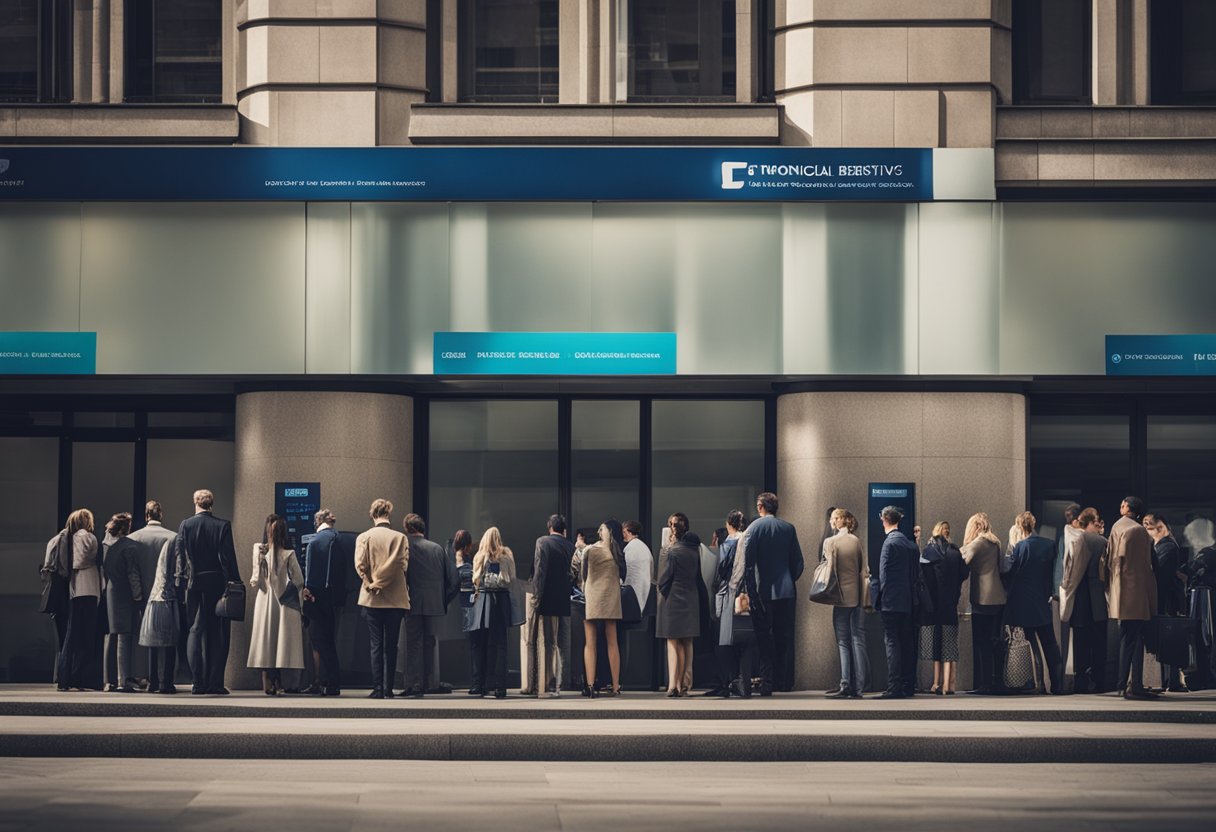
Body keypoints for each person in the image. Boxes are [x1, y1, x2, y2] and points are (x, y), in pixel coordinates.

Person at [729, 492, 804, 697]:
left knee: (763, 638)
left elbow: (749, 565)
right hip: (786, 591)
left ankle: (767, 683)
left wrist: (751, 592)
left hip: (762, 593)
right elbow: (798, 563)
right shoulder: (788, 528)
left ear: (761, 507)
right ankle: (784, 681)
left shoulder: (754, 529)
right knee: (784, 637)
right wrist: (788, 579)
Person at [175, 489, 240, 695]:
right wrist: (234, 583)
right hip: (217, 584)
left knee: (195, 631)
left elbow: (180, 557)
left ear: (195, 502)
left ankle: (198, 682)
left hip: (194, 584)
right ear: (212, 504)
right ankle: (215, 683)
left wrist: (180, 584)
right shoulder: (223, 526)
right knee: (218, 634)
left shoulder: (186, 525)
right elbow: (228, 558)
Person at [1103, 496, 1158, 700]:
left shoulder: (1117, 527)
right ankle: (1131, 685)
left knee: (1128, 637)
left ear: (1128, 508)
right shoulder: (1137, 531)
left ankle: (1126, 684)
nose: (1120, 506)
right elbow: (1144, 566)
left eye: (1123, 503)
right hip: (1134, 592)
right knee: (1133, 638)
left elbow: (1111, 561)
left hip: (1121, 591)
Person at [355, 498, 409, 700]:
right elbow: (403, 565)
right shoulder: (400, 538)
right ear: (389, 514)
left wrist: (373, 583)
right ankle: (389, 688)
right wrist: (385, 580)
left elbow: (360, 566)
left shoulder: (364, 537)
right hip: (396, 599)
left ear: (372, 515)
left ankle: (377, 687)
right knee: (391, 644)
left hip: (372, 598)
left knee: (375, 644)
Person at [1005, 511, 1064, 694]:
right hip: (1042, 600)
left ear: (1019, 526)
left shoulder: (1020, 547)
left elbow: (1011, 574)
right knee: (1050, 644)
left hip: (1023, 602)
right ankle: (1057, 683)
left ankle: (1039, 683)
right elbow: (1056, 571)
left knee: (1032, 644)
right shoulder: (1049, 545)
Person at [247, 514, 305, 695]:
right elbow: (299, 580)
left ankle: (267, 683)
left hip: (264, 601)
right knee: (280, 641)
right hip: (283, 603)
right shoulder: (289, 553)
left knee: (266, 640)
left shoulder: (259, 550)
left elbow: (255, 580)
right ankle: (280, 683)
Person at [402, 513, 458, 698]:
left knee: (413, 644)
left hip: (412, 602)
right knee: (430, 643)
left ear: (407, 529)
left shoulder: (406, 547)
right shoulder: (437, 549)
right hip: (435, 604)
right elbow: (453, 580)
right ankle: (430, 682)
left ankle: (414, 685)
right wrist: (444, 600)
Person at [128, 500, 179, 693]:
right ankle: (167, 679)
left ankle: (148, 678)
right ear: (161, 514)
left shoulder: (134, 538)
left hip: (141, 596)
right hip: (167, 595)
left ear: (146, 515)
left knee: (146, 641)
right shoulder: (173, 537)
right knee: (169, 639)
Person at [870, 505, 920, 699]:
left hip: (890, 601)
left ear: (884, 520)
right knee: (907, 642)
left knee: (892, 643)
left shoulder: (889, 544)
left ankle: (894, 686)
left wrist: (879, 598)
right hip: (908, 601)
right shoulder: (909, 544)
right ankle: (908, 685)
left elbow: (883, 575)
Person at [525, 514, 575, 698]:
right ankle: (565, 683)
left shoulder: (543, 542)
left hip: (547, 599)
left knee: (547, 643)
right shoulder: (570, 546)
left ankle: (546, 682)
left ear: (549, 528)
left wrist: (536, 598)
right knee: (564, 643)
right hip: (566, 599)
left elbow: (540, 570)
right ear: (564, 530)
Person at [1061, 508, 1109, 694]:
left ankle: (1081, 681)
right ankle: (1100, 681)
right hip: (1098, 596)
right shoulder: (1102, 541)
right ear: (1092, 522)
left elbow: (1071, 570)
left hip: (1081, 596)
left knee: (1080, 641)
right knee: (1099, 642)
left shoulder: (1076, 539)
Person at [918, 521, 969, 695]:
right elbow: (964, 573)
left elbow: (922, 577)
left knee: (934, 643)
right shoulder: (955, 552)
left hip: (932, 605)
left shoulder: (928, 552)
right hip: (949, 604)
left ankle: (935, 683)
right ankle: (947, 685)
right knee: (948, 642)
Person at [823, 508, 868, 699]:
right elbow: (861, 569)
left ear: (841, 520)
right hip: (856, 596)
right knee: (858, 638)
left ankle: (845, 684)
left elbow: (829, 569)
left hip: (840, 597)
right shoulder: (855, 541)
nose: (831, 522)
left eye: (834, 519)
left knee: (843, 642)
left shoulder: (831, 542)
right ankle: (860, 686)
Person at [960, 512, 1006, 694]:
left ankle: (985, 684)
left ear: (977, 526)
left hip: (983, 599)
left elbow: (963, 558)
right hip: (998, 598)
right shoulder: (995, 542)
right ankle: (998, 681)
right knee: (995, 641)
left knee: (982, 642)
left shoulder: (979, 542)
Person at [657, 518, 703, 697]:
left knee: (672, 642)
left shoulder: (671, 551)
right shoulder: (694, 551)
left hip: (673, 599)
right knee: (687, 642)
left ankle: (672, 685)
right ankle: (684, 683)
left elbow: (663, 578)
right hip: (691, 598)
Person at [56, 509, 101, 691]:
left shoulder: (66, 537)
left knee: (72, 635)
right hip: (88, 588)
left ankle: (66, 678)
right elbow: (82, 560)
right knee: (86, 636)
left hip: (74, 590)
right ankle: (80, 678)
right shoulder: (87, 537)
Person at [580, 521, 625, 697]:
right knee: (612, 642)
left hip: (592, 596)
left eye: (602, 528)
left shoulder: (590, 550)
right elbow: (623, 574)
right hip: (611, 597)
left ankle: (591, 685)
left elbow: (583, 574)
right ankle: (615, 686)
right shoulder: (617, 553)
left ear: (606, 531)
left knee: (590, 643)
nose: (599, 530)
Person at [301, 509, 343, 697]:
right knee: (331, 640)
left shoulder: (315, 542)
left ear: (317, 522)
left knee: (319, 640)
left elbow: (310, 575)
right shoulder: (339, 539)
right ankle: (332, 682)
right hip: (337, 596)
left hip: (318, 597)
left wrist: (307, 594)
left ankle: (324, 681)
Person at [102, 513, 145, 693]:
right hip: (125, 594)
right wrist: (138, 596)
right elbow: (133, 573)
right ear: (124, 528)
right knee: (124, 636)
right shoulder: (129, 547)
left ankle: (109, 680)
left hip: (111, 592)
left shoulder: (108, 548)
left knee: (113, 635)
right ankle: (123, 680)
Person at [1145, 512, 1187, 692]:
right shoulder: (1165, 545)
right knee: (1168, 640)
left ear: (1160, 528)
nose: (1146, 532)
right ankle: (1170, 681)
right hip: (1168, 598)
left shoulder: (1167, 547)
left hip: (1168, 600)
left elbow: (1160, 574)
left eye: (1149, 528)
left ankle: (1172, 681)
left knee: (1169, 639)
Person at [472, 526, 516, 699]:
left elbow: (475, 580)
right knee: (501, 645)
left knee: (482, 643)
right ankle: (500, 687)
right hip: (501, 601)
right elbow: (511, 579)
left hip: (483, 601)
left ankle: (482, 685)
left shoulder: (479, 556)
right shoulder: (506, 556)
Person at [710, 511, 747, 698]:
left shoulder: (728, 543)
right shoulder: (747, 540)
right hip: (744, 596)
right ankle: (742, 680)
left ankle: (730, 682)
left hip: (728, 594)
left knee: (726, 640)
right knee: (744, 641)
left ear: (728, 524)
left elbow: (720, 573)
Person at [451, 530, 483, 695]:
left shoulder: (451, 559)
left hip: (462, 606)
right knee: (475, 644)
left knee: (473, 644)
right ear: (468, 545)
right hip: (470, 606)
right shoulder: (470, 561)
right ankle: (478, 681)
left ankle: (476, 681)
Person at [622, 520, 653, 617]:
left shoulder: (630, 548)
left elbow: (627, 571)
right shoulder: (644, 547)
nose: (623, 535)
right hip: (645, 585)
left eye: (624, 532)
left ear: (628, 531)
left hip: (633, 588)